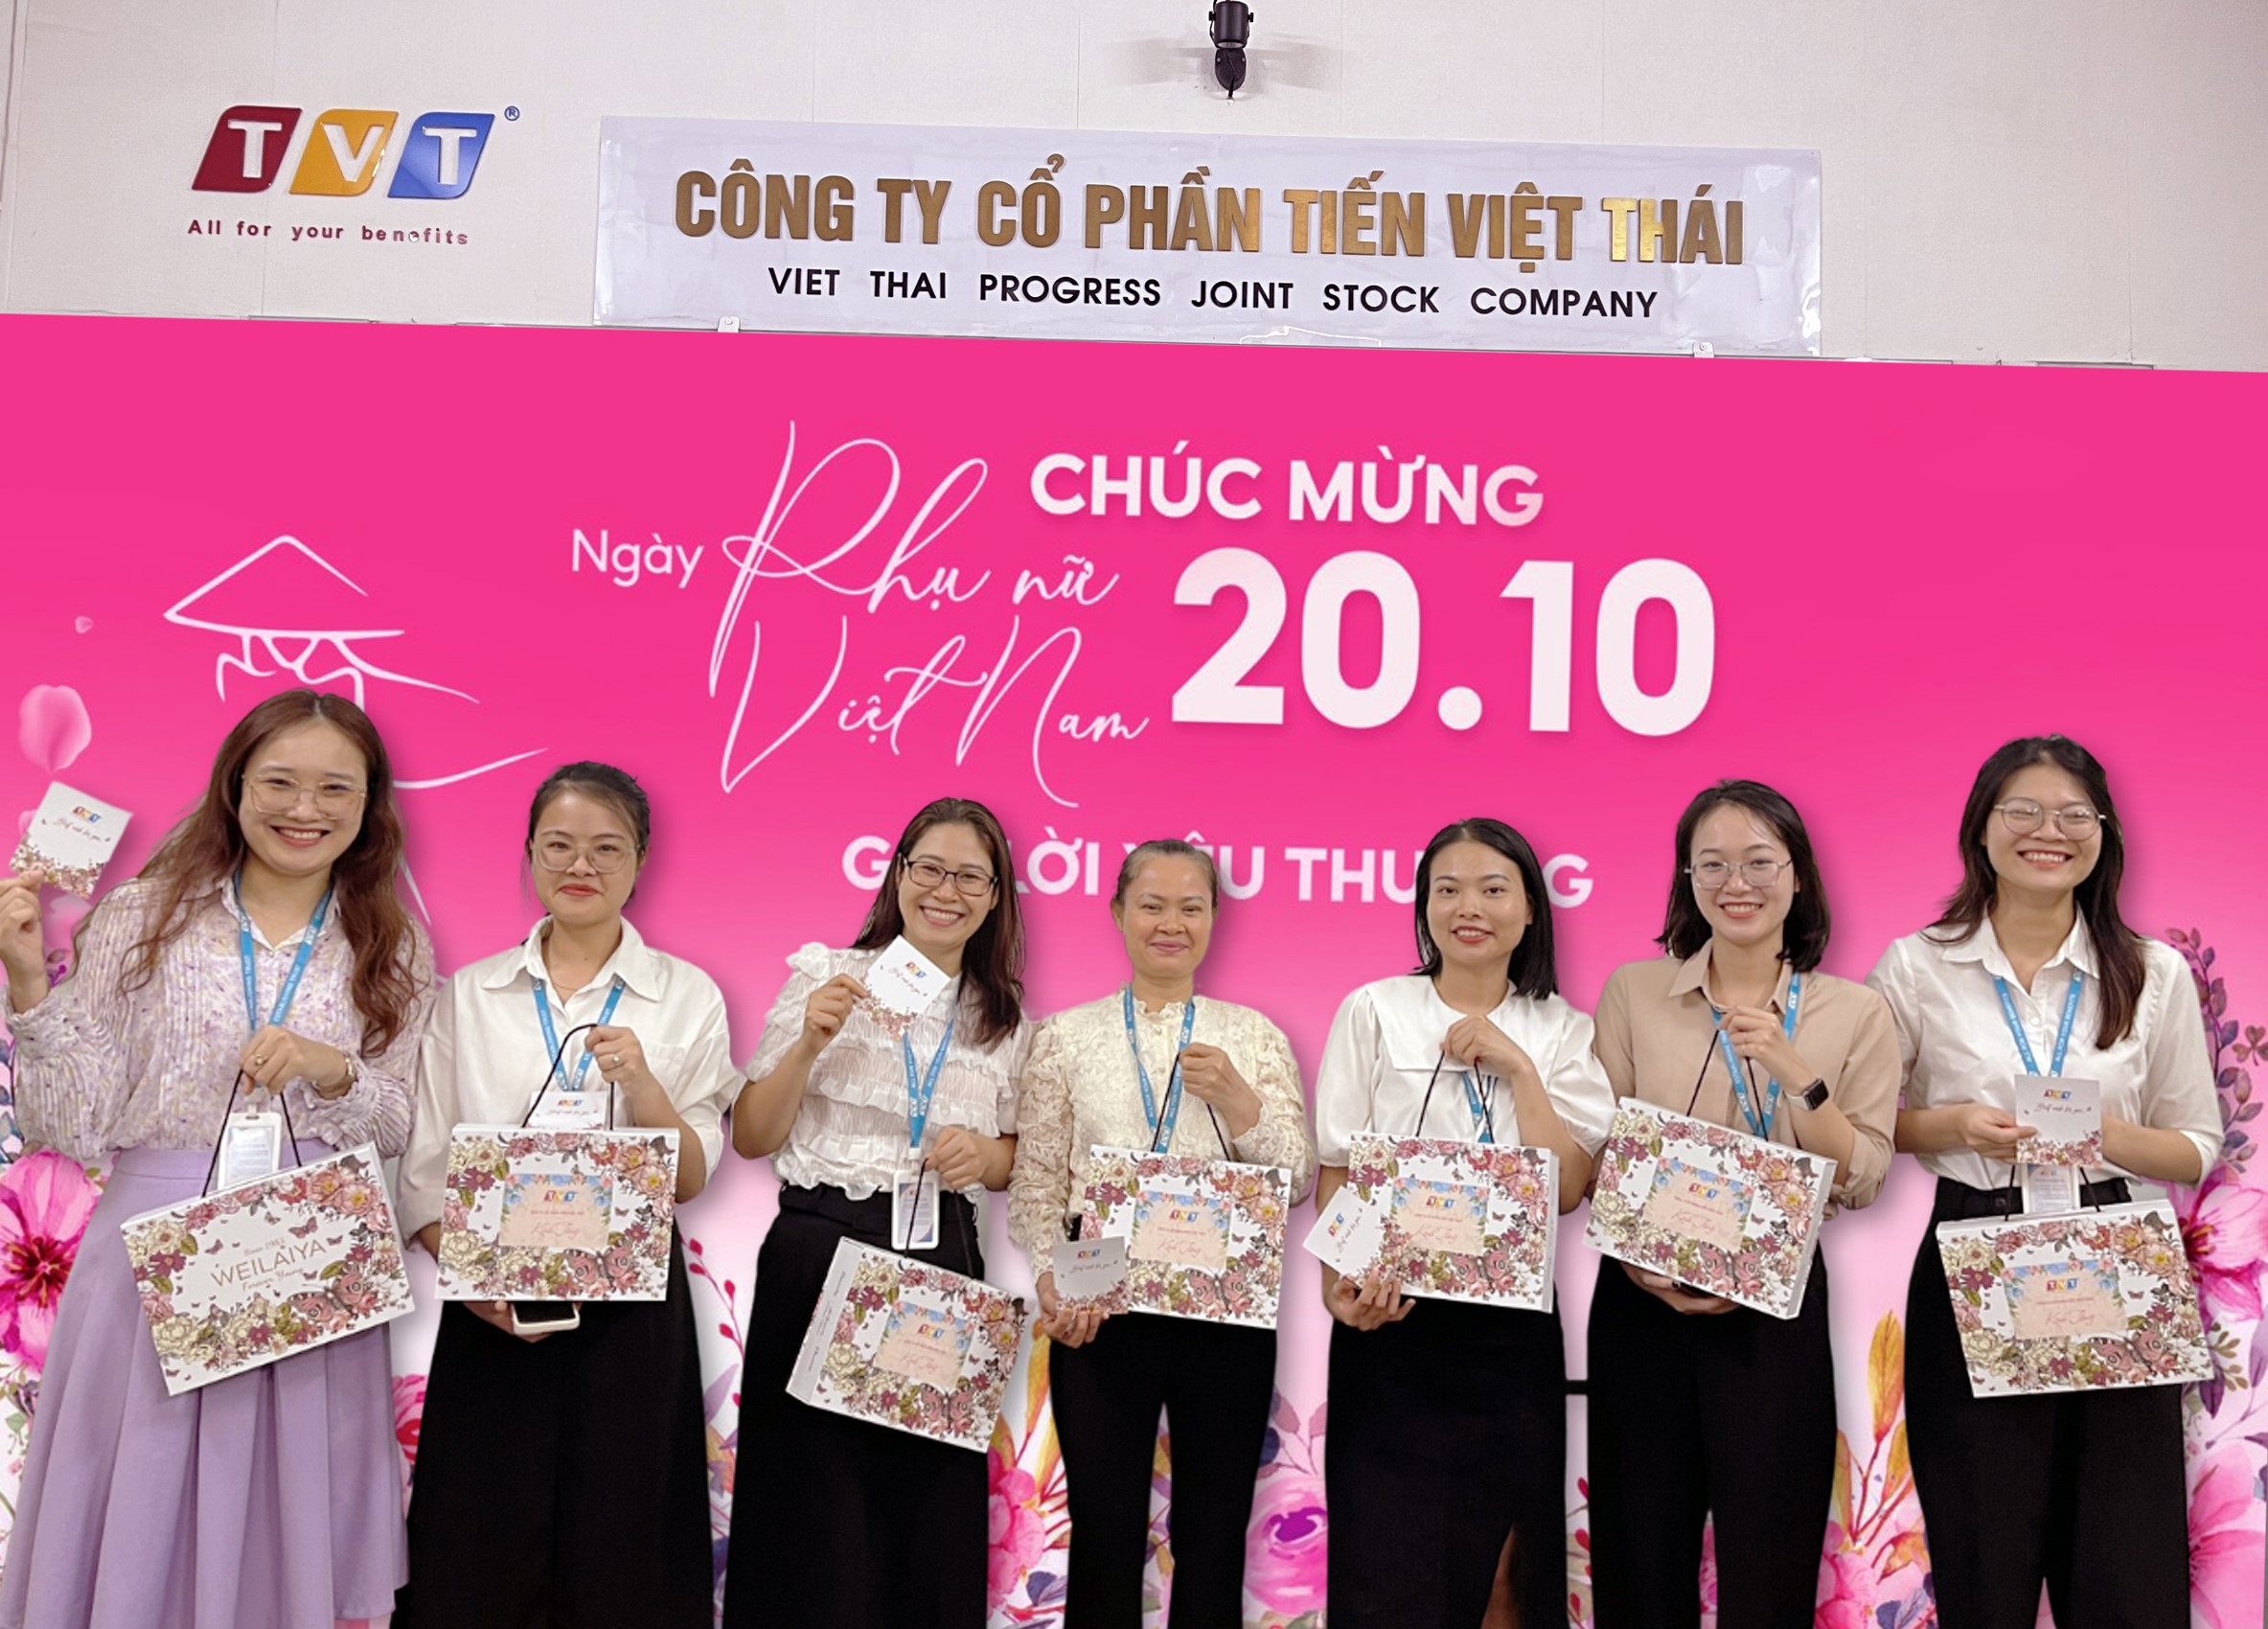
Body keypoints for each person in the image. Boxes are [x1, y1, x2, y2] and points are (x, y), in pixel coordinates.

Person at [0, 688, 431, 1629]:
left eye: (336, 788)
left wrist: (333, 1070)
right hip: (153, 1247)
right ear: (234, 786)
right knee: (136, 1524)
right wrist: (30, 983)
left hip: (311, 1249)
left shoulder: (392, 942)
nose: (304, 808)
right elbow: (72, 1123)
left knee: (284, 1536)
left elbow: (402, 1121)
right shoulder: (142, 914)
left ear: (369, 805)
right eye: (278, 781)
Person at [1868, 736, 2219, 1629]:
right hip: (1975, 1253)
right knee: (1984, 1553)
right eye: (2021, 810)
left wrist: (2105, 1136)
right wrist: (1949, 1125)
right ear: (1980, 829)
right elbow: (1868, 1129)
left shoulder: (2151, 972)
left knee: (2125, 1563)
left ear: (2103, 832)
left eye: (2072, 814)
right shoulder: (1916, 966)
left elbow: (2195, 1146)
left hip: (2115, 1256)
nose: (2047, 831)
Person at [392, 763, 738, 1628]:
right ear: (528, 854)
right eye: (558, 845)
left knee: (625, 1547)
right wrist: (474, 1284)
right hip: (493, 1305)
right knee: (481, 1545)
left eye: (606, 848)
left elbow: (690, 1177)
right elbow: (426, 1168)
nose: (580, 865)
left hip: (632, 1310)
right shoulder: (469, 995)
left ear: (641, 860)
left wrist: (644, 1084)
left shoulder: (687, 995)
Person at [1586, 780, 1900, 1628]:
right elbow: (1601, 1146)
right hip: (1640, 1302)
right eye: (1712, 865)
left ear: (1797, 875)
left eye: (1760, 862)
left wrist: (1798, 1075)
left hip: (1773, 1309)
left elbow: (1865, 1174)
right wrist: (1640, 1262)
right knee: (1638, 1555)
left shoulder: (1856, 1012)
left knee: (1770, 1557)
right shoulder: (1633, 992)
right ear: (1686, 879)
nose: (1737, 884)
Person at [722, 797, 1031, 1629]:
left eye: (969, 877)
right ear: (897, 875)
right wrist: (807, 1045)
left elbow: (1015, 1157)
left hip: (940, 1260)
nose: (945, 891)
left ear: (994, 897)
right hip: (821, 1249)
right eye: (929, 868)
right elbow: (751, 1136)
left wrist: (983, 1155)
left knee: (922, 1507)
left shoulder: (1002, 1016)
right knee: (810, 1503)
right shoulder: (826, 974)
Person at [1007, 839, 1316, 1629]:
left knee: (1213, 1529)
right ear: (1118, 913)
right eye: (1151, 905)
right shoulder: (1065, 1036)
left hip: (1226, 1310)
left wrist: (1240, 1102)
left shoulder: (1252, 1035)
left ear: (1214, 918)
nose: (1170, 923)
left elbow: (1297, 1180)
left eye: (1190, 907)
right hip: (1099, 1302)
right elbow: (1038, 1183)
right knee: (1103, 1526)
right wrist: (1050, 1277)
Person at [1314, 816, 1614, 1629]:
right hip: (1390, 1321)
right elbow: (1338, 1168)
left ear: (1529, 909)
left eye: (1491, 889)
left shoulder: (1561, 1029)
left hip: (1509, 1335)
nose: (1467, 907)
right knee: (1386, 1564)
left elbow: (1568, 1188)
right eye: (1446, 889)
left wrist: (1519, 1069)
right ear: (1423, 906)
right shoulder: (1373, 1009)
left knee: (1505, 1576)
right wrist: (1340, 1286)